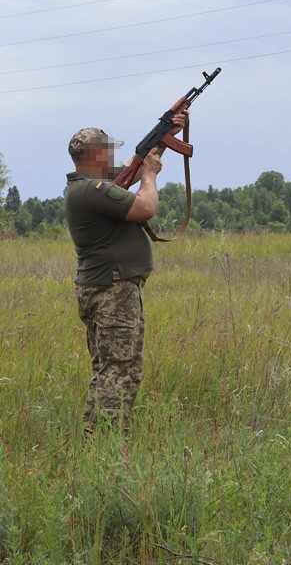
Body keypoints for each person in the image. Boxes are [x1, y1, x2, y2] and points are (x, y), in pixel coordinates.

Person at [65, 116, 185, 435]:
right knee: (119, 370)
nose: (113, 157)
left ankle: (99, 439)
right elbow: (145, 207)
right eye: (108, 151)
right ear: (95, 156)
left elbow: (127, 170)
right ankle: (106, 443)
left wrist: (166, 134)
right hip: (112, 290)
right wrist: (150, 175)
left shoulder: (88, 189)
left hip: (105, 288)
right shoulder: (93, 190)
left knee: (110, 369)